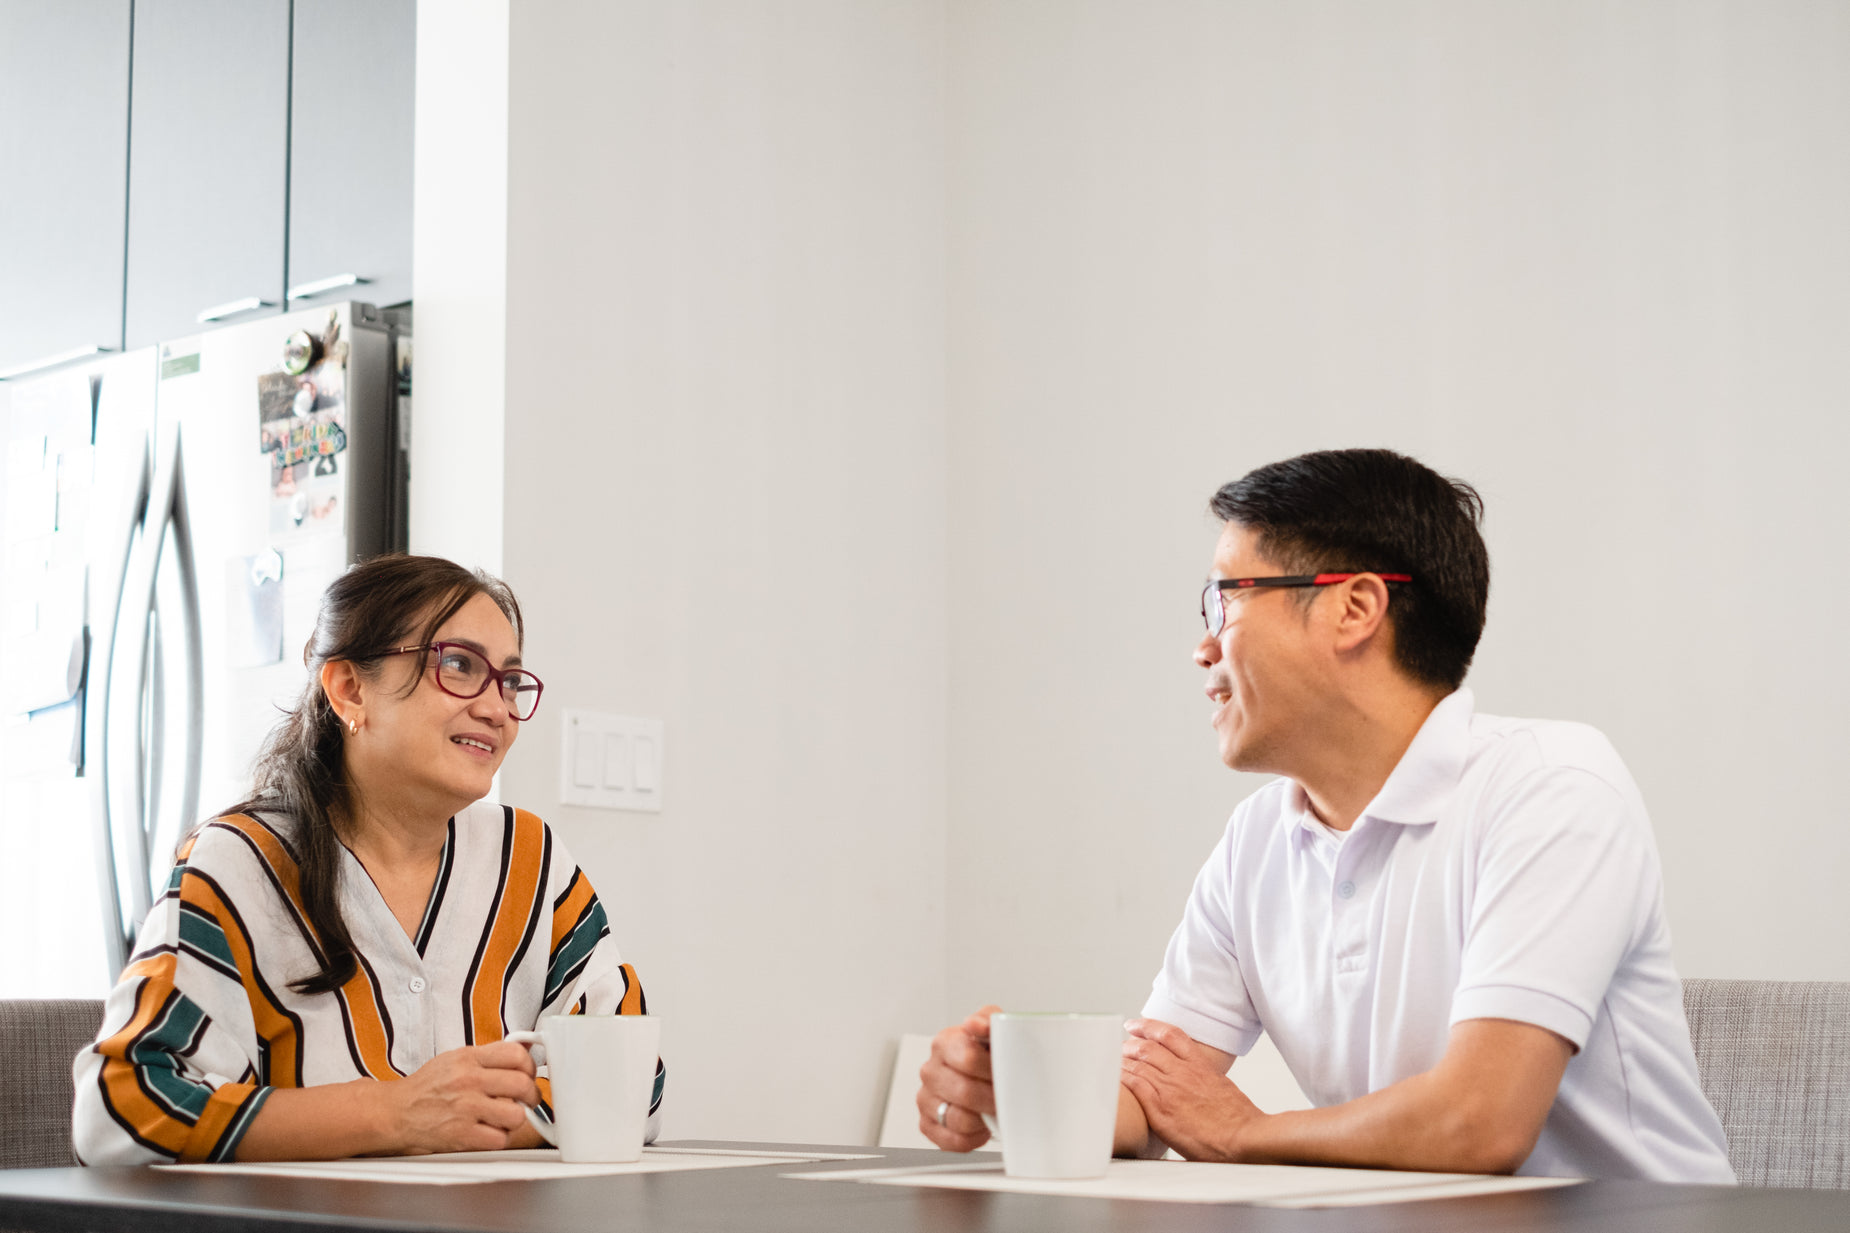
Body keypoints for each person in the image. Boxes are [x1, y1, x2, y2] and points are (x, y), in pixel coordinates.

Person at [918, 449, 1733, 1182]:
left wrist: (1248, 1132)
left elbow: (1480, 1123)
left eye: (1223, 599)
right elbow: (1159, 1096)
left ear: (1355, 609)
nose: (1203, 648)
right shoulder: (1259, 839)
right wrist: (1021, 1087)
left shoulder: (1554, 787)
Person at [72, 554, 663, 1165]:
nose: (496, 709)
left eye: (510, 682)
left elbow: (632, 1084)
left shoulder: (532, 860)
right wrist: (400, 1113)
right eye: (459, 665)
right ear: (350, 689)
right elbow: (123, 1108)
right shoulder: (242, 862)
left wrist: (464, 1119)